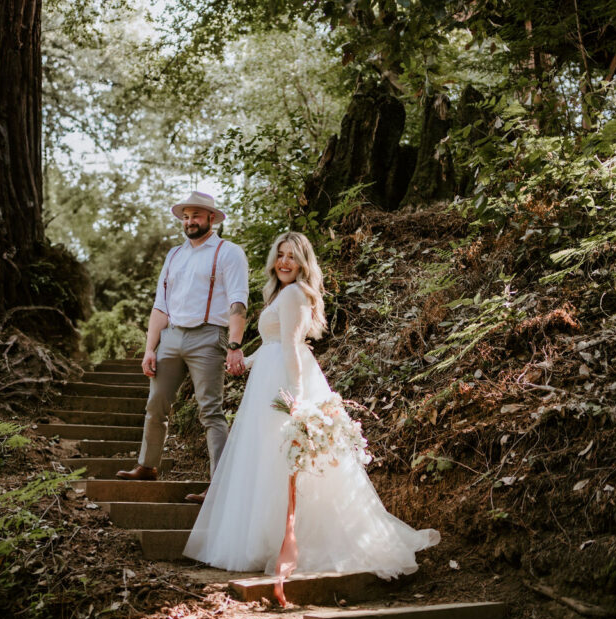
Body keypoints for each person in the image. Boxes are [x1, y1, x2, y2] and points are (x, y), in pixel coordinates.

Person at [183, 232, 440, 579]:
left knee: (283, 459)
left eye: (293, 256)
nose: (285, 262)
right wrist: (247, 361)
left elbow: (290, 347)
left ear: (304, 263)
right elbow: (276, 344)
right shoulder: (284, 293)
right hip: (271, 377)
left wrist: (297, 400)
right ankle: (268, 539)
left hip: (286, 383)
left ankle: (287, 542)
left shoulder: (292, 294)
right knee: (270, 461)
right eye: (280, 255)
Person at [116, 191, 249, 507]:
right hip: (172, 337)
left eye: (197, 216)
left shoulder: (229, 253)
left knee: (211, 410)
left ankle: (218, 485)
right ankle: (147, 466)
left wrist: (234, 345)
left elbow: (238, 302)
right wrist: (151, 348)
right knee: (155, 403)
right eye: (186, 216)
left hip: (209, 337)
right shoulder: (174, 255)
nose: (190, 221)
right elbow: (160, 306)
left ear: (212, 218)